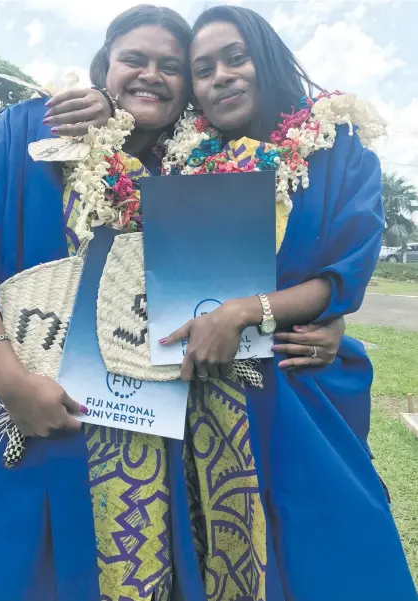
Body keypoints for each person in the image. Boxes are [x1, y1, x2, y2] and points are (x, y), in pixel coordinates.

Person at [0, 8, 375, 601]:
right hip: (13, 402)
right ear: (104, 68)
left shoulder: (189, 169)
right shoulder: (22, 133)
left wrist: (326, 314)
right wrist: (12, 378)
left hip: (143, 427)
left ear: (187, 95)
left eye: (173, 67)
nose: (152, 75)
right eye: (134, 60)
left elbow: (269, 265)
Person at [44, 5, 417, 601]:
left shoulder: (335, 148)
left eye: (235, 58)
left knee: (329, 544)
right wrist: (99, 101)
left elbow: (344, 269)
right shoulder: (182, 159)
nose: (221, 76)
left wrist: (256, 312)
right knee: (220, 555)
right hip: (203, 396)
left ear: (264, 58)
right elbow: (126, 137)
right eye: (203, 68)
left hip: (299, 381)